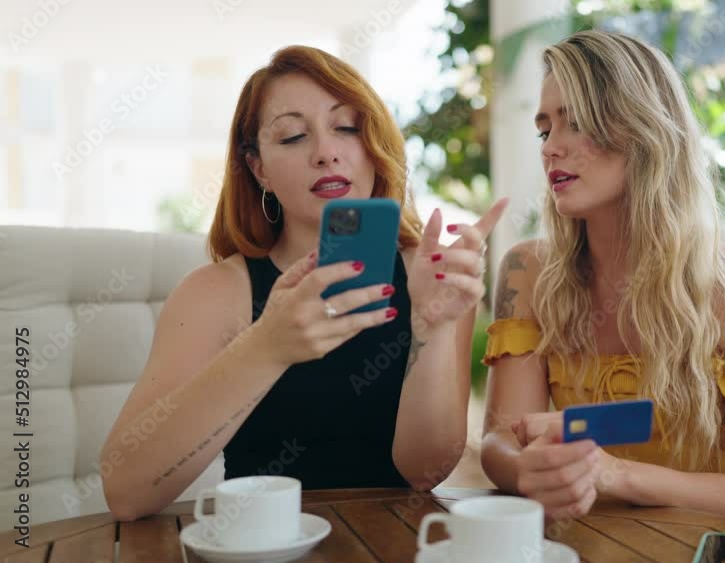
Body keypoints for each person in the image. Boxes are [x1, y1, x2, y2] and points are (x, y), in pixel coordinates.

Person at [101, 45, 507, 521]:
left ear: (374, 146)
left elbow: (426, 472)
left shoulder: (433, 277)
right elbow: (126, 491)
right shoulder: (215, 292)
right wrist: (268, 345)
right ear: (259, 169)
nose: (326, 152)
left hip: (395, 543)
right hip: (259, 543)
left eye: (347, 127)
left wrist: (433, 327)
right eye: (293, 136)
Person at [479, 31, 725, 534]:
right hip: (591, 534)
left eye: (577, 122)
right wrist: (527, 469)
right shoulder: (527, 271)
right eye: (545, 131)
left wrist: (614, 474)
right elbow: (500, 442)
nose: (552, 149)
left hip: (715, 542)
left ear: (645, 131)